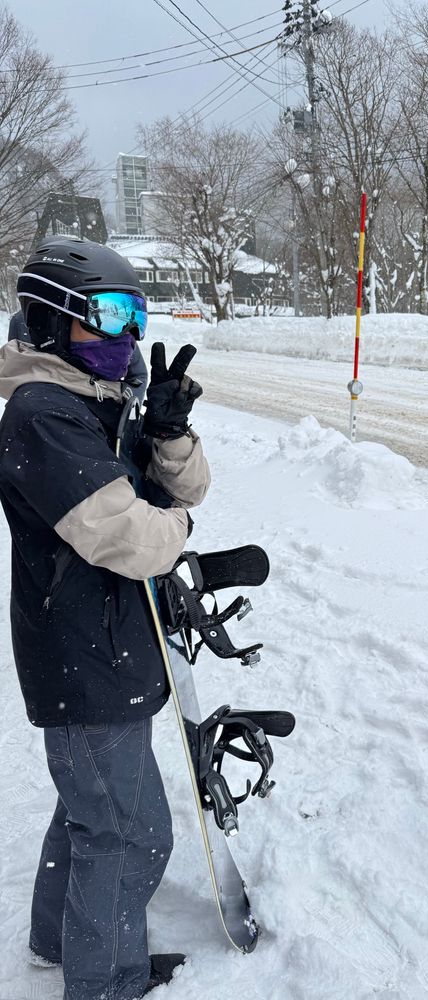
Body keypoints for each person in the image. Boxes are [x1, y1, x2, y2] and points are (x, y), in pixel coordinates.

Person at [0, 236, 210, 998]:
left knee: (88, 812)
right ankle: (104, 983)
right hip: (83, 658)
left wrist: (167, 435)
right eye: (110, 314)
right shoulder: (44, 413)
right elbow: (133, 534)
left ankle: (60, 941)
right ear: (54, 320)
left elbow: (184, 492)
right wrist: (180, 537)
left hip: (107, 649)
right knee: (129, 835)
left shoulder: (93, 404)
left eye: (135, 316)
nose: (127, 334)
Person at [8, 303, 149, 402]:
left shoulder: (108, 321)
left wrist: (127, 412)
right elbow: (18, 368)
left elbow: (138, 373)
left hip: (100, 413)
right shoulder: (20, 320)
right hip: (41, 414)